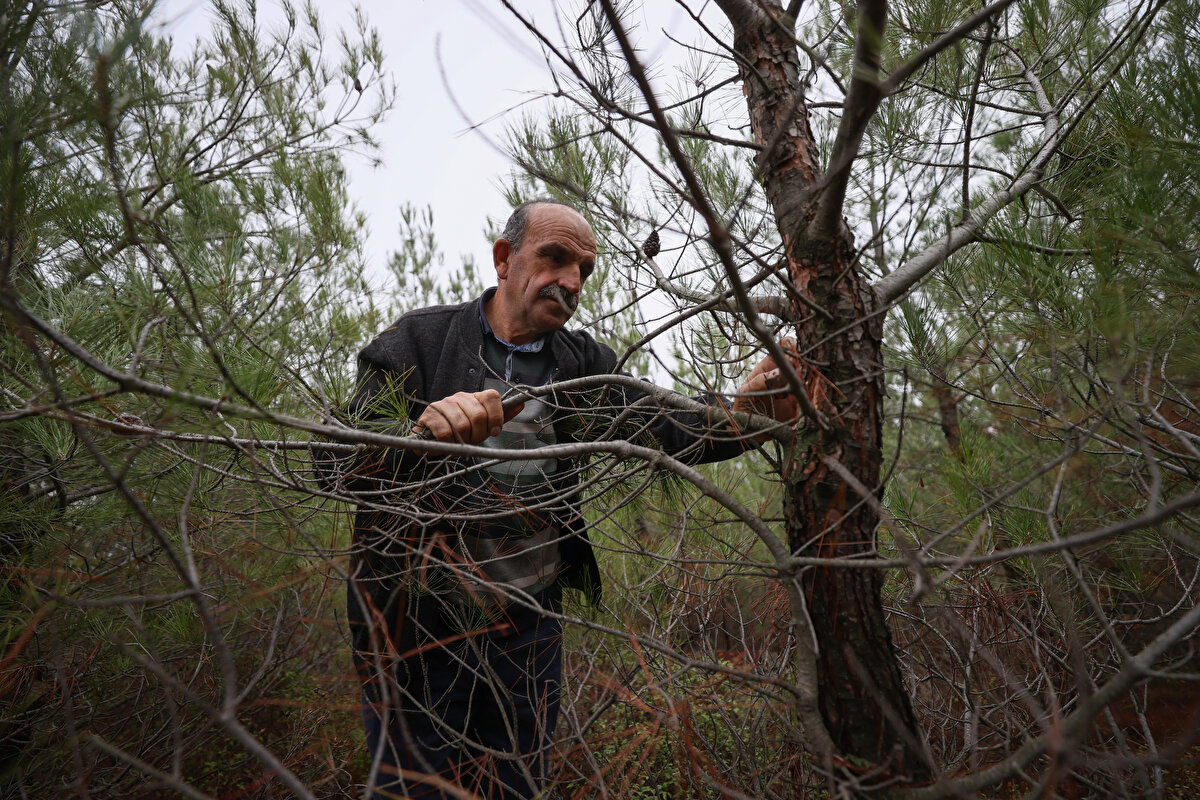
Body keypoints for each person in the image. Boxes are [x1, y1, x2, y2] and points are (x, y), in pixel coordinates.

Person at [338, 199, 797, 799]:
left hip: (528, 633)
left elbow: (669, 431)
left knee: (516, 787)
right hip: (415, 629)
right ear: (504, 259)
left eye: (584, 268)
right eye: (554, 259)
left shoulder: (584, 364)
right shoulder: (417, 343)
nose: (572, 281)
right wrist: (419, 435)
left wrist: (747, 416)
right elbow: (339, 464)